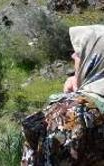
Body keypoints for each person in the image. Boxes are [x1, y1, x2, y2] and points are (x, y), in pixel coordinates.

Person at [21, 25, 104, 165]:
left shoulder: (68, 113)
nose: (73, 56)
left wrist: (68, 102)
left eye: (79, 52)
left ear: (93, 60)